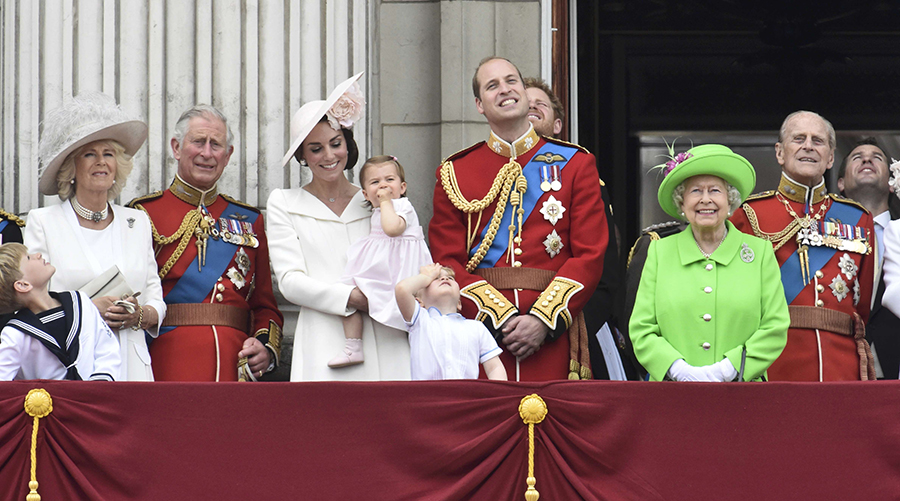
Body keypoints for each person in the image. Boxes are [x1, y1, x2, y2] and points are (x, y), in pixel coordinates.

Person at [429, 57, 608, 381]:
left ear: (525, 92)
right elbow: (446, 261)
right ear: (479, 104)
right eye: (492, 85)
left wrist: (542, 320)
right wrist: (498, 318)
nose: (505, 90)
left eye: (511, 81)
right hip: (481, 336)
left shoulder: (576, 164)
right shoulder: (454, 172)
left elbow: (590, 255)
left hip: (554, 333)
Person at [267, 72, 411, 381]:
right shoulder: (285, 202)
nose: (329, 156)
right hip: (323, 337)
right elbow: (290, 281)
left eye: (335, 143)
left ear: (348, 144)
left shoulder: (375, 200)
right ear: (303, 157)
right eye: (316, 149)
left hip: (386, 333)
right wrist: (350, 298)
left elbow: (407, 251)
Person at [127, 104, 283, 382]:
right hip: (165, 361)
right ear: (176, 147)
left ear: (228, 155)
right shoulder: (142, 214)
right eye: (198, 141)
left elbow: (265, 305)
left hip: (235, 366)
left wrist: (265, 347)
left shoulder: (250, 220)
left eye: (216, 145)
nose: (207, 153)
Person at [24, 92, 165, 382]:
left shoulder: (135, 221)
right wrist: (86, 310)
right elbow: (34, 300)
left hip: (133, 366)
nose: (101, 162)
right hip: (75, 362)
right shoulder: (44, 222)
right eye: (89, 154)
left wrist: (140, 315)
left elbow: (157, 299)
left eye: (108, 154)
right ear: (71, 168)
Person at [731, 111, 877, 381]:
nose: (808, 146)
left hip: (841, 367)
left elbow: (862, 304)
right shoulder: (748, 215)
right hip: (773, 363)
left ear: (831, 157)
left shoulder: (858, 218)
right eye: (798, 139)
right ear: (779, 152)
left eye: (818, 141)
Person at [629, 144, 789, 381]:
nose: (705, 200)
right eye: (695, 191)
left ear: (730, 200)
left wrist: (728, 369)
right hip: (672, 395)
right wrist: (677, 370)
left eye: (715, 191)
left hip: (742, 395)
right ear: (682, 203)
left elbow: (775, 327)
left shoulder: (760, 253)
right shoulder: (660, 252)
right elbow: (641, 328)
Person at [524, 76, 641, 380]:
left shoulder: (581, 173)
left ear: (559, 125)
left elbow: (604, 269)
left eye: (541, 104)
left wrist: (564, 326)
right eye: (526, 102)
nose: (533, 105)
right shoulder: (482, 175)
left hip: (573, 324)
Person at [329, 155, 432, 368]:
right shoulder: (379, 210)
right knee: (347, 293)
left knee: (410, 312)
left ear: (402, 187)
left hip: (401, 268)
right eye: (375, 182)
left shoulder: (402, 206)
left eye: (389, 180)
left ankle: (420, 353)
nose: (383, 185)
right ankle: (353, 345)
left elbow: (393, 229)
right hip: (383, 265)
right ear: (366, 194)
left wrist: (385, 201)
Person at [0, 243, 121, 381]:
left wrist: (100, 384)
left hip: (97, 397)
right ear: (23, 285)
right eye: (28, 257)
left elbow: (107, 348)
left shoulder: (81, 301)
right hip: (49, 401)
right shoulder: (16, 333)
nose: (38, 255)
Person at [838, 138, 900, 379]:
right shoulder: (820, 235)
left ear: (892, 183)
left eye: (877, 157)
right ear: (840, 183)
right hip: (840, 364)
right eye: (857, 157)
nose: (867, 159)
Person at [396, 263, 507, 380]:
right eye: (435, 279)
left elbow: (494, 367)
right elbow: (402, 289)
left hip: (465, 396)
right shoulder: (420, 321)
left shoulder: (477, 327)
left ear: (459, 302)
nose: (445, 278)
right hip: (427, 395)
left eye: (451, 278)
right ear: (419, 302)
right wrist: (425, 276)